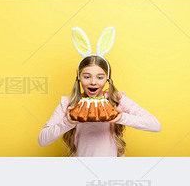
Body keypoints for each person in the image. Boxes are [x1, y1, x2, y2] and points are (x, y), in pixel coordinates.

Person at [38, 26, 161, 157]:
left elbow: (155, 125)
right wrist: (68, 122)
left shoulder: (117, 100)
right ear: (79, 78)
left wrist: (121, 117)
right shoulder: (68, 103)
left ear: (107, 79)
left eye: (100, 77)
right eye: (87, 76)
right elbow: (42, 140)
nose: (93, 82)